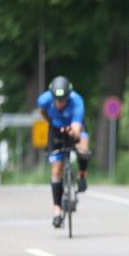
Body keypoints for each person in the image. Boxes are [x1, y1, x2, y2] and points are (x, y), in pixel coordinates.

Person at [37, 76, 90, 228]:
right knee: (57, 168)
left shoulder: (77, 102)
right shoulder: (44, 100)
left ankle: (82, 175)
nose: (60, 103)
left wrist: (72, 133)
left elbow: (77, 130)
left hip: (74, 127)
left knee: (83, 148)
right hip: (56, 128)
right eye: (57, 100)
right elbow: (42, 111)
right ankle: (57, 210)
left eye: (63, 100)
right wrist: (52, 123)